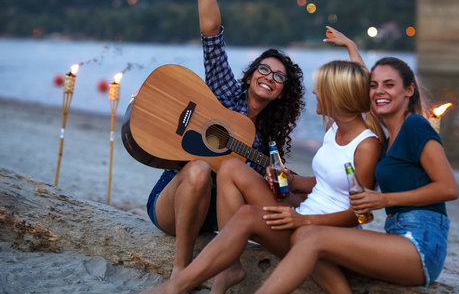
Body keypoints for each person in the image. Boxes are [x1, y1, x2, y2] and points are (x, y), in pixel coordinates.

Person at [142, 58, 384, 294]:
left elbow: (361, 214)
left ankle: (176, 286)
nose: (314, 91)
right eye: (264, 69)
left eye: (320, 87)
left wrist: (303, 221)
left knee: (247, 214)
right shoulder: (334, 130)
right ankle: (229, 268)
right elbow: (328, 182)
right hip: (306, 214)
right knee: (230, 168)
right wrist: (294, 181)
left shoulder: (367, 146)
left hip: (321, 231)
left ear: (338, 94)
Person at [144, 0, 305, 286]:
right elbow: (211, 32)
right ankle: (181, 268)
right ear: (250, 76)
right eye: (264, 68)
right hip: (173, 203)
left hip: (216, 221)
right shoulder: (223, 95)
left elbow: (269, 198)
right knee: (200, 169)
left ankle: (225, 263)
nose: (269, 77)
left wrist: (298, 190)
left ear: (281, 94)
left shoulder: (267, 143)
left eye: (279, 77)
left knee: (227, 172)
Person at [253, 54, 459, 293]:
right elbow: (352, 91)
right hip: (396, 237)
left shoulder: (415, 125)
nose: (379, 91)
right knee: (306, 236)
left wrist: (384, 199)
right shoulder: (391, 136)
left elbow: (448, 188)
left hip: (421, 244)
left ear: (409, 90)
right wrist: (351, 49)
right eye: (374, 86)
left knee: (310, 235)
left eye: (389, 85)